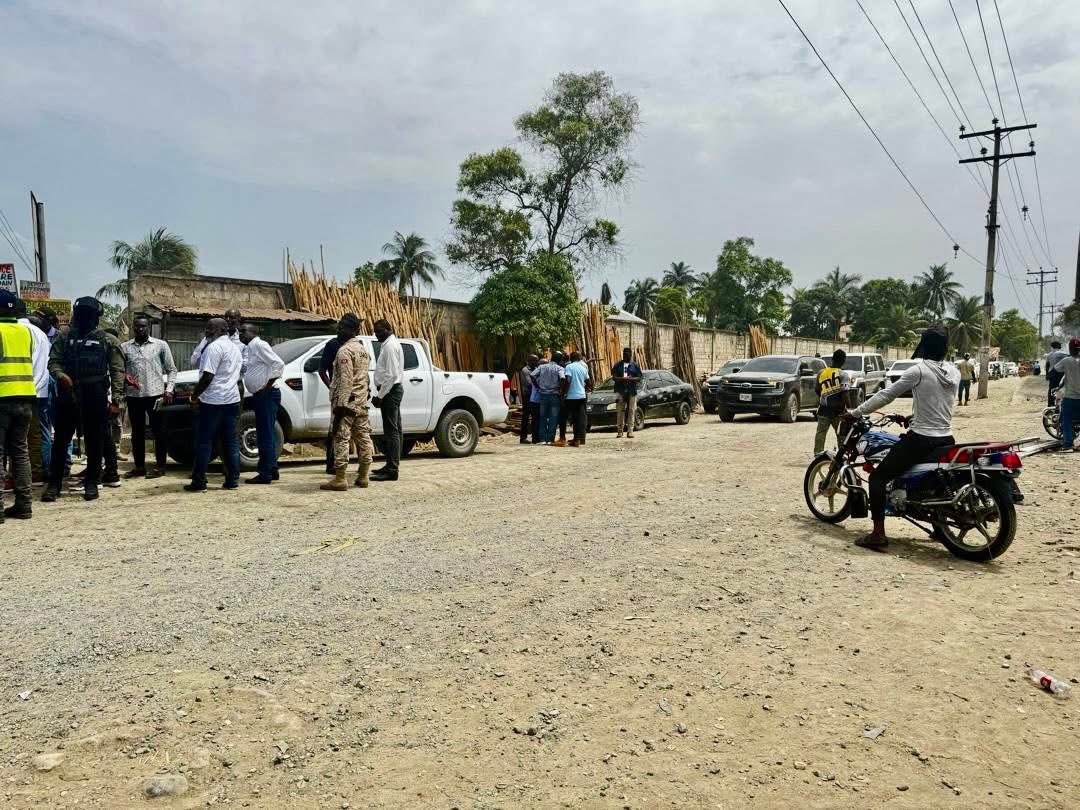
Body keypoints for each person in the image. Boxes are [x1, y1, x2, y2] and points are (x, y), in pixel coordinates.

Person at [844, 327, 959, 551]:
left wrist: (856, 412)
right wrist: (912, 417)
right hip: (946, 438)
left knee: (878, 478)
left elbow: (886, 395)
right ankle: (939, 529)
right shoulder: (953, 371)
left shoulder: (918, 370)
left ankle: (878, 534)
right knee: (933, 482)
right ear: (945, 349)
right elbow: (937, 401)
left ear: (924, 347)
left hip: (921, 439)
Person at [43, 297, 125, 502]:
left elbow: (117, 371)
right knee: (61, 441)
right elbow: (53, 363)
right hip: (68, 394)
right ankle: (54, 485)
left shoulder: (108, 340)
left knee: (95, 441)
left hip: (95, 393)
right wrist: (61, 376)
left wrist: (116, 401)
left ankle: (92, 482)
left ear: (96, 317)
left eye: (88, 315)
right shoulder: (64, 337)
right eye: (81, 314)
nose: (83, 319)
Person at [185, 318, 243, 492]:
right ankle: (232, 480)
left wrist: (195, 396)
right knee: (230, 441)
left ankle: (199, 481)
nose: (207, 331)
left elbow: (208, 376)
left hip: (213, 401)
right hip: (231, 400)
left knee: (204, 442)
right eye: (207, 328)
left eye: (211, 328)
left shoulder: (214, 348)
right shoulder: (235, 348)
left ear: (223, 329)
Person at [321, 314, 374, 491]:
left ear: (351, 330)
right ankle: (364, 475)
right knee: (363, 438)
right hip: (361, 402)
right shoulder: (363, 350)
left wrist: (341, 406)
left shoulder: (344, 351)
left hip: (347, 403)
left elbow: (346, 380)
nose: (338, 331)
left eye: (341, 327)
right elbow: (364, 377)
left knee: (341, 438)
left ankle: (340, 478)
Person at [120, 314, 177, 478]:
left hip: (156, 395)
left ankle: (160, 466)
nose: (140, 329)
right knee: (136, 433)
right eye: (137, 326)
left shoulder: (160, 345)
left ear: (149, 327)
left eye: (143, 326)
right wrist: (125, 377)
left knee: (159, 432)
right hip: (134, 396)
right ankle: (139, 467)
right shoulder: (125, 347)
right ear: (133, 327)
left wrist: (169, 389)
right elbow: (120, 369)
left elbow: (172, 369)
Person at [0, 291, 38, 521]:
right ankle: (24, 505)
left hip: (2, 398)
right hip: (25, 398)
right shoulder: (26, 332)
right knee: (20, 453)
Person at [239, 323, 284, 484]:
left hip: (266, 395)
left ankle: (265, 473)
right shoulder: (250, 348)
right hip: (261, 395)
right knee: (266, 433)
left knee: (265, 435)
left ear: (253, 332)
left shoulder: (258, 344)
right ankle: (272, 468)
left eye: (244, 331)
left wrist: (267, 386)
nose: (240, 333)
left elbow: (278, 364)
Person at [15, 302, 51, 483]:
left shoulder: (16, 330)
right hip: (41, 390)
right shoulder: (41, 333)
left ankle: (22, 475)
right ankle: (37, 471)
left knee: (18, 438)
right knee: (37, 434)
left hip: (20, 391)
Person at [371, 319, 404, 482]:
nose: (376, 334)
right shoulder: (389, 344)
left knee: (392, 432)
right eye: (375, 331)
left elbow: (391, 376)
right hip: (391, 391)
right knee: (394, 430)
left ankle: (392, 469)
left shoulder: (390, 346)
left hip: (390, 391)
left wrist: (380, 396)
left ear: (388, 329)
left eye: (379, 331)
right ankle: (390, 464)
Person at [814, 349, 852, 455]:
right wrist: (849, 409)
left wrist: (824, 399)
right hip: (838, 412)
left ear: (832, 359)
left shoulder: (821, 373)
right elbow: (845, 394)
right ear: (844, 360)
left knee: (820, 434)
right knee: (841, 435)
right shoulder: (843, 375)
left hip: (823, 410)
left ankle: (818, 455)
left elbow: (817, 390)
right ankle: (842, 455)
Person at [318, 335, 342, 474]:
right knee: (336, 427)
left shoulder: (356, 344)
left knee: (357, 430)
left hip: (355, 394)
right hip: (338, 393)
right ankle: (331, 463)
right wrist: (332, 388)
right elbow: (322, 370)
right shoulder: (333, 345)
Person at [531, 351, 566, 445]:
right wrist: (561, 390)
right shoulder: (559, 368)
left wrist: (537, 387)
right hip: (554, 395)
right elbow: (562, 378)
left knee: (542, 417)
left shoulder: (542, 367)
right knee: (553, 418)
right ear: (559, 360)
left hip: (543, 395)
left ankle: (542, 439)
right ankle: (550, 439)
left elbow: (532, 375)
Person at [1053, 338, 1080, 452]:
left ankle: (1068, 444)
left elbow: (1056, 369)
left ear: (1070, 349)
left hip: (1070, 397)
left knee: (1066, 420)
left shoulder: (1066, 360)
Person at [610, 348, 642, 439]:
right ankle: (620, 431)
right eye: (624, 353)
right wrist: (622, 379)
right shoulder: (618, 365)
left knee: (631, 411)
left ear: (630, 355)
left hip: (632, 391)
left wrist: (631, 379)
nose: (625, 355)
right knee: (620, 411)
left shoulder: (635, 365)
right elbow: (614, 377)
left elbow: (639, 378)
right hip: (621, 391)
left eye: (627, 354)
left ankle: (630, 431)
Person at [562, 351, 591, 447]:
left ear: (571, 358)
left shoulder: (569, 367)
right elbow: (588, 381)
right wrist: (585, 390)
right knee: (580, 418)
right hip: (581, 396)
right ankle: (579, 438)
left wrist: (565, 392)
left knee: (573, 418)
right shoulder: (583, 367)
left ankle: (576, 439)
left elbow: (568, 380)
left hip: (571, 396)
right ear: (579, 358)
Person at [518, 355, 539, 444]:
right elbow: (529, 383)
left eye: (537, 361)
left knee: (535, 417)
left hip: (535, 396)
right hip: (527, 396)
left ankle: (535, 437)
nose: (536, 362)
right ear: (529, 361)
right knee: (526, 417)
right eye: (535, 360)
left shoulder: (536, 368)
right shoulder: (525, 370)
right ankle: (523, 438)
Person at [1046, 340, 1067, 407]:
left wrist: (1047, 374)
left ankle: (1050, 404)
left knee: (1051, 389)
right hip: (1058, 373)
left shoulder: (1049, 355)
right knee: (1060, 388)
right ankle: (1061, 403)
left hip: (1051, 374)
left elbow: (1047, 365)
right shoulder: (1060, 353)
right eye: (1059, 345)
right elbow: (1072, 355)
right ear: (1057, 346)